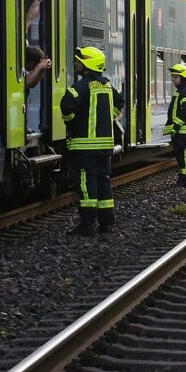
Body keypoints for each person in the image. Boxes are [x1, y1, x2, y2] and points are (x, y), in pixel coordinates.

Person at [61, 47, 124, 235]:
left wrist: (74, 123)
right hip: (105, 147)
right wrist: (109, 118)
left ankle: (87, 224)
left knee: (87, 185)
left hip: (84, 147)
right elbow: (120, 102)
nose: (76, 64)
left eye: (78, 61)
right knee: (104, 182)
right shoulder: (106, 86)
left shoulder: (79, 87)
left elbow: (66, 107)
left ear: (86, 64)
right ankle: (107, 222)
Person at [164, 63, 186, 187]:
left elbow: (185, 111)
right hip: (179, 129)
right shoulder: (182, 90)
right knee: (179, 153)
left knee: (183, 153)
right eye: (172, 77)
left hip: (182, 129)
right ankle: (182, 177)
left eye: (175, 77)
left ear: (182, 77)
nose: (173, 79)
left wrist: (176, 126)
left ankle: (185, 179)